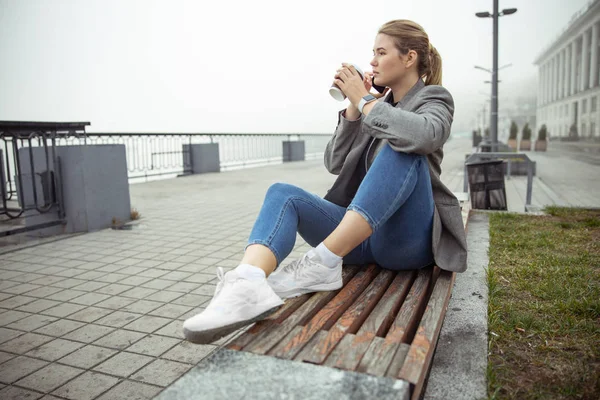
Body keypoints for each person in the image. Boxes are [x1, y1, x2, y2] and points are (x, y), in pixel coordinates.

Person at [183, 19, 468, 344]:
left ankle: (322, 262)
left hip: (405, 240)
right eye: (372, 53)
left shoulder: (434, 98)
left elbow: (425, 135)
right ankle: (246, 286)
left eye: (381, 52)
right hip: (360, 237)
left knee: (403, 144)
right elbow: (335, 162)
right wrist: (353, 106)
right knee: (282, 193)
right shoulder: (377, 106)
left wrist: (365, 101)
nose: (372, 61)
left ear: (409, 58)